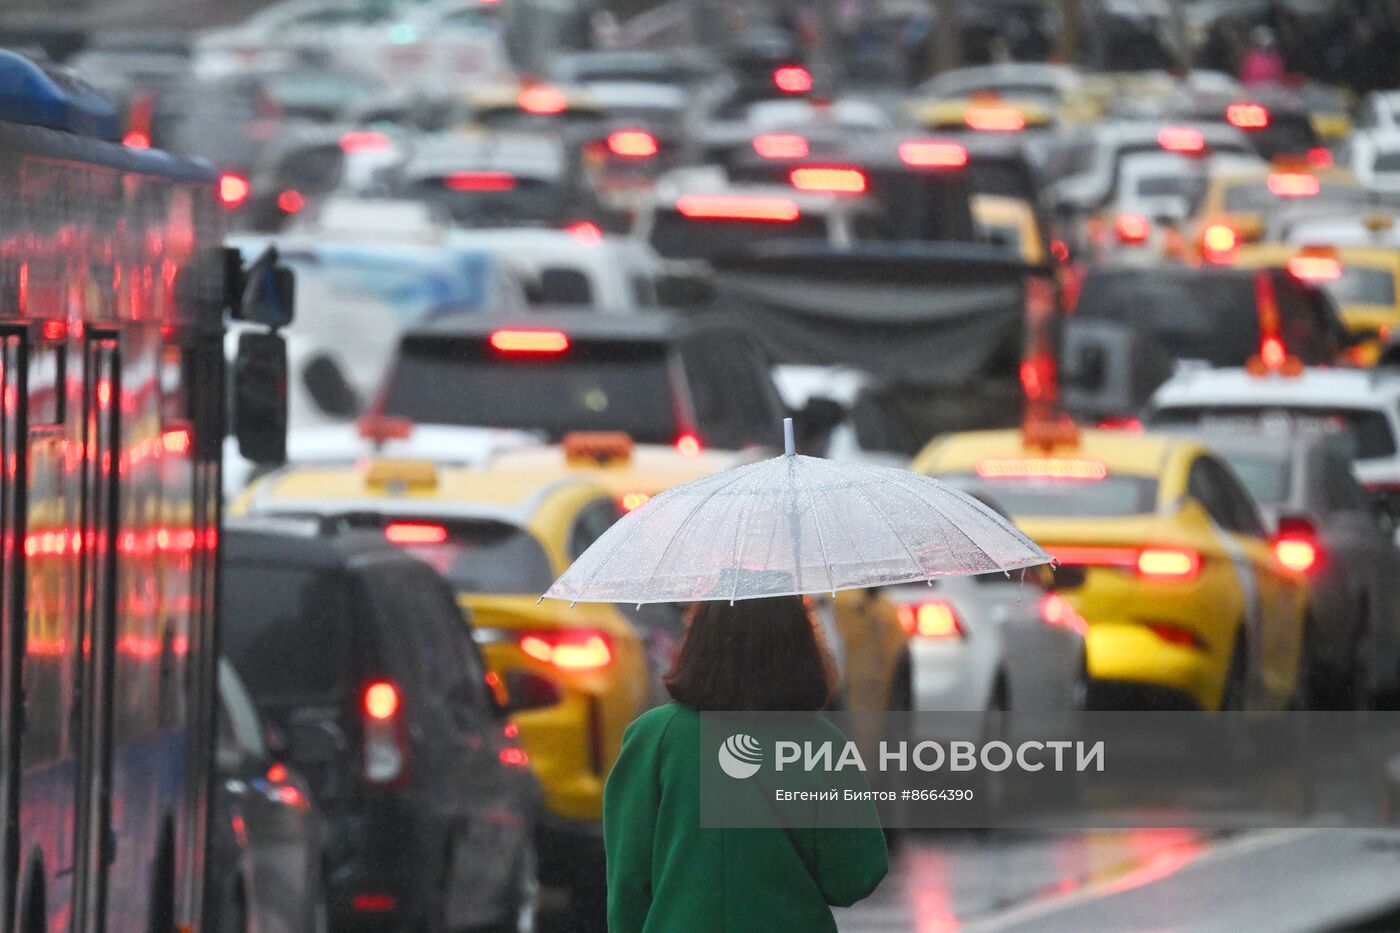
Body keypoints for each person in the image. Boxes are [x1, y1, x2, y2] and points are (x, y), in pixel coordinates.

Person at [603, 596, 889, 932]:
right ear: (800, 646)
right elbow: (854, 876)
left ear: (700, 643)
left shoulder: (655, 738)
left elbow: (628, 882)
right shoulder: (822, 744)